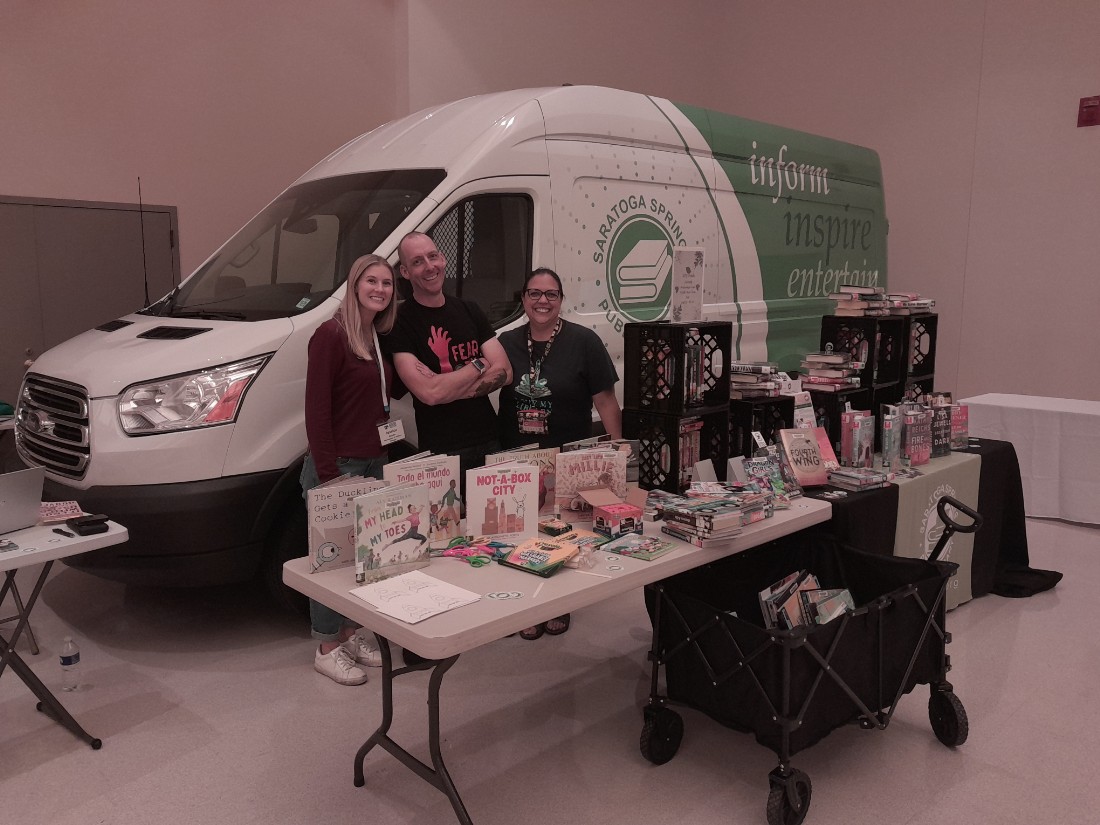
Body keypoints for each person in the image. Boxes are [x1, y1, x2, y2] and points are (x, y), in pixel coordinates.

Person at [497, 267, 623, 639]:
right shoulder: (505, 341)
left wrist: (617, 451)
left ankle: (556, 603)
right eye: (534, 293)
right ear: (523, 299)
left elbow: (605, 400)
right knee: (517, 531)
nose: (543, 301)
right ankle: (521, 607)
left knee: (561, 533)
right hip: (516, 454)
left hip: (566, 456)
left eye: (551, 294)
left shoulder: (584, 341)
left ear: (561, 300)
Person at [301, 254, 397, 685]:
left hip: (373, 462)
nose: (380, 289)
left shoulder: (374, 336)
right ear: (355, 284)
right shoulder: (330, 335)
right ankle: (327, 646)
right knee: (330, 563)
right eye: (371, 281)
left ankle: (352, 632)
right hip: (338, 466)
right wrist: (328, 476)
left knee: (363, 558)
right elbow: (316, 412)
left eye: (388, 283)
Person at [386, 232, 512, 482]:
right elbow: (430, 394)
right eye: (417, 261)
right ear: (405, 272)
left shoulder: (469, 309)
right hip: (441, 453)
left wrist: (447, 388)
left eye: (433, 256)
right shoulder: (399, 321)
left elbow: (506, 372)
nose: (429, 266)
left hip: (490, 440)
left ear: (443, 259)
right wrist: (478, 365)